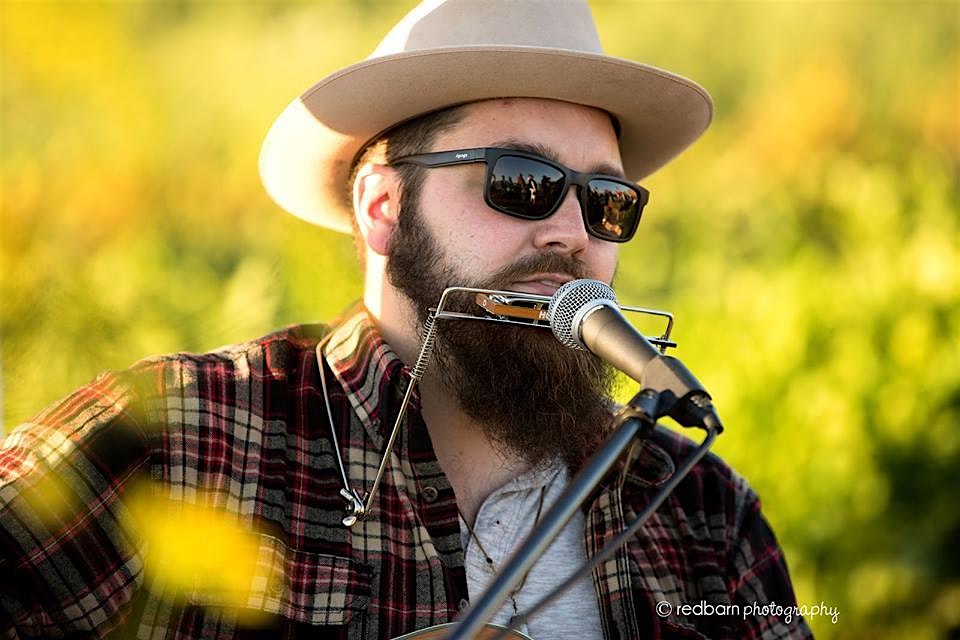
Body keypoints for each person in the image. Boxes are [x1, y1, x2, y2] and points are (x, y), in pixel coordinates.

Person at [0, 1, 813, 638]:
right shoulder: (185, 437)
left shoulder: (700, 512)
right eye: (521, 182)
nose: (571, 232)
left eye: (607, 201)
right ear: (384, 207)